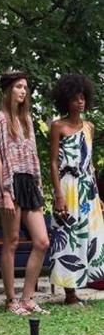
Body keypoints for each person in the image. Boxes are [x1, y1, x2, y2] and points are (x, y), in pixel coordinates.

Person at [0, 72, 50, 315]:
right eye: (18, 87)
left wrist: (38, 185)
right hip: (10, 183)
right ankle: (11, 300)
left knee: (42, 241)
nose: (23, 91)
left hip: (28, 182)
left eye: (25, 87)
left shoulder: (27, 119)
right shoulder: (1, 119)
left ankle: (27, 298)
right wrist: (5, 192)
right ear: (9, 90)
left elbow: (33, 156)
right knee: (11, 241)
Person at [49, 74, 104, 302]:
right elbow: (53, 162)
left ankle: (81, 285)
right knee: (68, 234)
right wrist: (58, 195)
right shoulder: (57, 126)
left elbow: (89, 164)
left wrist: (97, 195)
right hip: (67, 186)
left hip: (87, 188)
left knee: (88, 234)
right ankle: (69, 293)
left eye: (82, 98)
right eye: (74, 98)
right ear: (66, 101)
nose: (79, 102)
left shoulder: (89, 127)